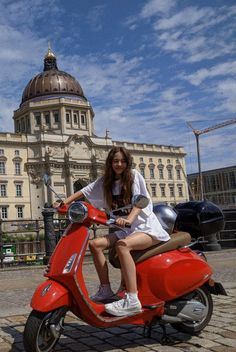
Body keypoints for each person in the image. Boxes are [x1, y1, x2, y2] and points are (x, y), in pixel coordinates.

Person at [54, 147, 170, 316]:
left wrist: (129, 219)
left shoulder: (133, 176)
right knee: (95, 244)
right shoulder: (106, 181)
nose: (119, 164)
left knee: (122, 246)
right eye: (115, 161)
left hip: (146, 228)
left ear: (127, 162)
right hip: (127, 230)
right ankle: (106, 290)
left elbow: (140, 201)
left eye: (122, 161)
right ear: (110, 163)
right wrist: (63, 203)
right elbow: (84, 191)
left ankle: (132, 299)